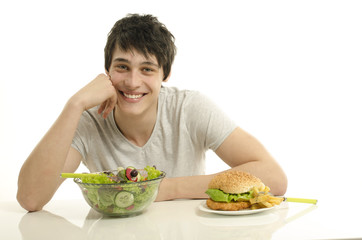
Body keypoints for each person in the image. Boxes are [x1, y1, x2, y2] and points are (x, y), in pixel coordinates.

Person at [17, 14, 287, 211]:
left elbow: (274, 178)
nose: (133, 82)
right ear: (107, 71)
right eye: (122, 67)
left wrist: (165, 189)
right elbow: (30, 198)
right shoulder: (88, 120)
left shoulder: (189, 108)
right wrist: (74, 104)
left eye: (147, 69)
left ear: (165, 75)